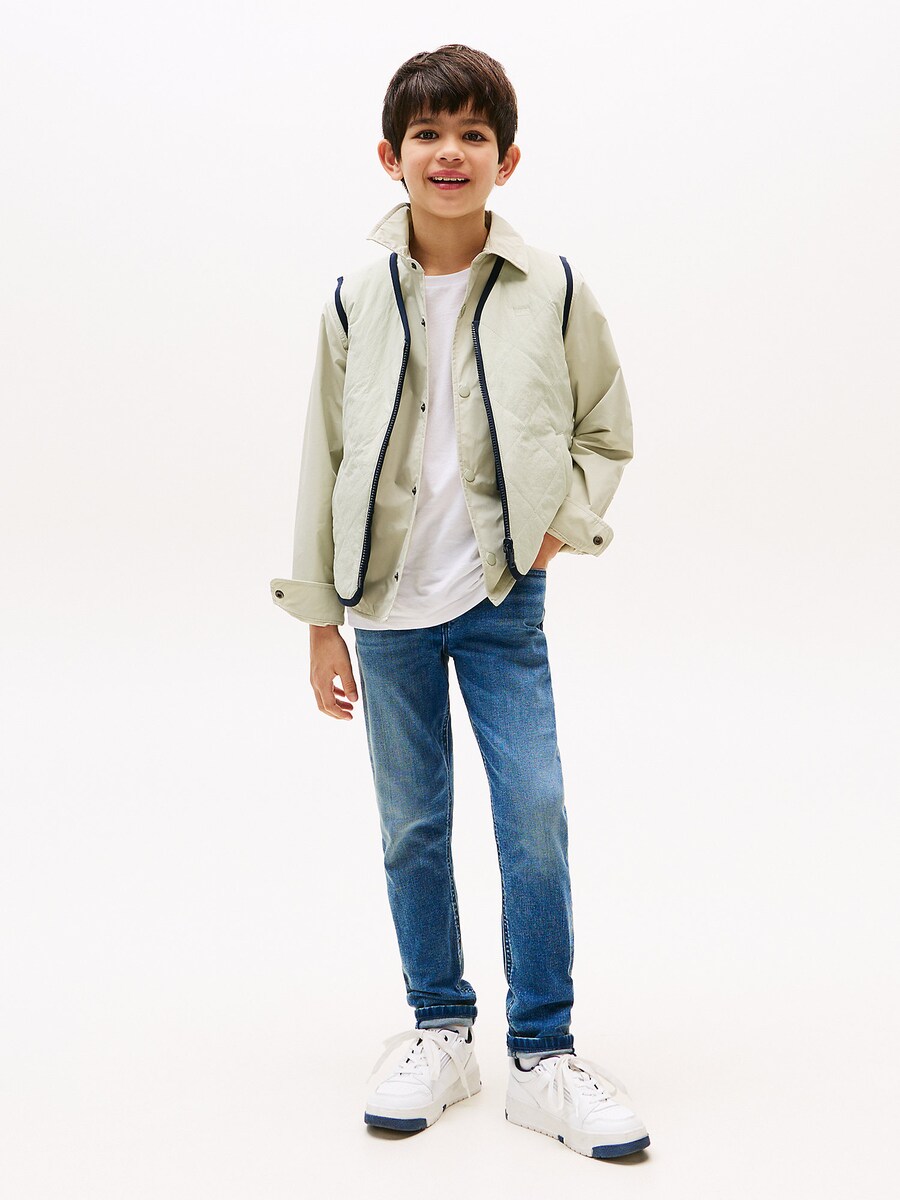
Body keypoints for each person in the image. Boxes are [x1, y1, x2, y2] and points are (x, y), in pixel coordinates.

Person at [269, 44, 650, 1160]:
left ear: (506, 160)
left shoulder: (554, 288)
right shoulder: (353, 301)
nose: (450, 152)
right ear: (390, 156)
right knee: (412, 827)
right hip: (383, 609)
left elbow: (606, 428)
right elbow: (323, 460)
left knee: (533, 814)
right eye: (428, 134)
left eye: (473, 134)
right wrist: (320, 623)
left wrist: (554, 529)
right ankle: (440, 1029)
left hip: (498, 601)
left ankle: (543, 1053)